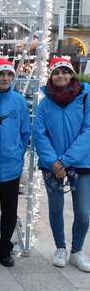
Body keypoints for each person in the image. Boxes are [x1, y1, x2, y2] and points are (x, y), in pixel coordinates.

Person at [33, 57, 90, 272]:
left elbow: (88, 130)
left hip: (82, 162)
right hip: (52, 165)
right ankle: (60, 247)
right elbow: (39, 133)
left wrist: (66, 160)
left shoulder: (86, 95)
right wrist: (54, 161)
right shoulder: (45, 101)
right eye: (56, 72)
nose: (60, 76)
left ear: (72, 73)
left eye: (65, 71)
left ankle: (77, 251)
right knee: (56, 208)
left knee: (84, 212)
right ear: (51, 75)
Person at [0, 59, 30, 267]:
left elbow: (25, 130)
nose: (6, 78)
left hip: (11, 164)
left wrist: (18, 151)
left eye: (9, 75)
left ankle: (4, 247)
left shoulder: (18, 100)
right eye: (2, 74)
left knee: (10, 209)